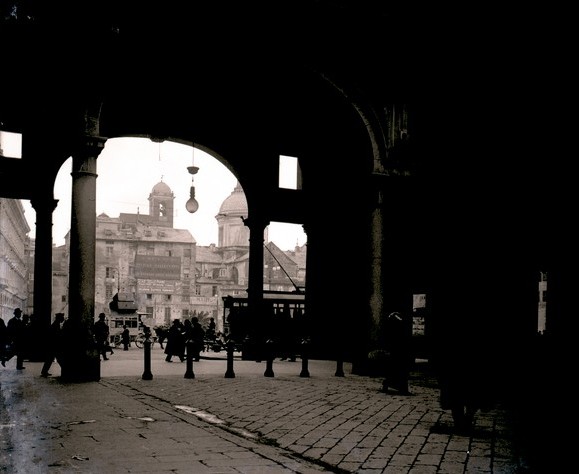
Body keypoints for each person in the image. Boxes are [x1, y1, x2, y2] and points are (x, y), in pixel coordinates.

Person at [41, 312, 65, 377]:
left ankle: (44, 371)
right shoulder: (56, 325)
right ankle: (65, 370)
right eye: (62, 318)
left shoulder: (55, 324)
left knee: (50, 359)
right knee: (59, 359)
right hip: (54, 346)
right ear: (59, 318)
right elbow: (57, 336)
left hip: (52, 345)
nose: (63, 319)